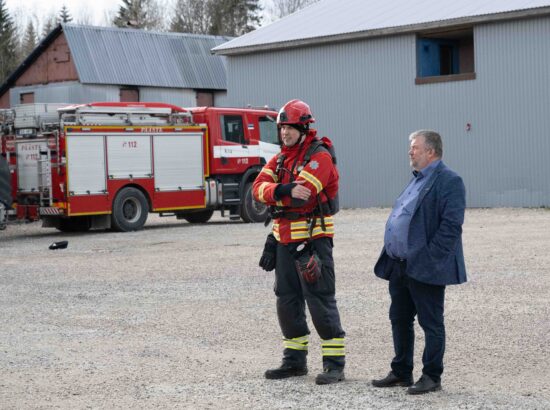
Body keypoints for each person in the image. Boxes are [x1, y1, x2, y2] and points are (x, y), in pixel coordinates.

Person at [253, 99, 346, 385]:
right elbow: (257, 190)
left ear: (304, 128)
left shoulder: (320, 156)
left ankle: (334, 365)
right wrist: (282, 188)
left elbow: (302, 192)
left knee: (319, 299)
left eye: (290, 128)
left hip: (312, 240)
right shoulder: (281, 158)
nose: (284, 134)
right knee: (287, 301)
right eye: (282, 129)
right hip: (283, 240)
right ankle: (294, 361)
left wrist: (279, 191)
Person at [372, 130, 467, 395]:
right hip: (400, 265)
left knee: (431, 322)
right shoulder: (416, 180)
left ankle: (431, 376)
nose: (410, 151)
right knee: (399, 319)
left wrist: (428, 259)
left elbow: (451, 226)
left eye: (415, 147)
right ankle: (402, 371)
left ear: (431, 151)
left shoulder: (449, 180)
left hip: (424, 266)